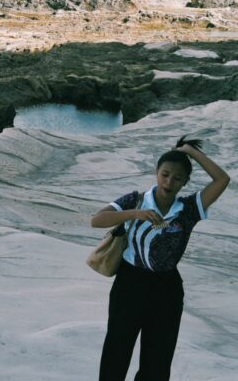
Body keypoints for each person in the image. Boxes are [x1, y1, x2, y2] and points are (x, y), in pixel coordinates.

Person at [91, 135, 230, 381]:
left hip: (167, 290)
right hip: (129, 284)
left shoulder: (188, 209)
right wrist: (136, 214)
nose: (169, 181)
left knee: (158, 361)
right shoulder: (136, 199)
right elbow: (97, 219)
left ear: (185, 181)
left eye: (177, 178)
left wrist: (191, 152)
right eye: (165, 174)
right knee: (117, 351)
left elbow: (222, 180)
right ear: (157, 172)